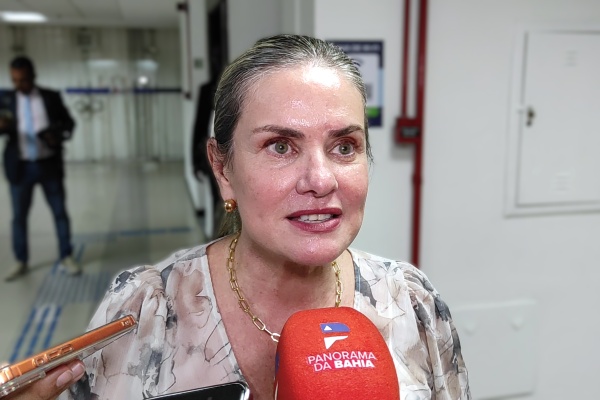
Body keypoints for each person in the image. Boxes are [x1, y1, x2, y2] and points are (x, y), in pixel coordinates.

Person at [8, 34, 470, 400]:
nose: (320, 179)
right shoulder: (143, 313)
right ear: (222, 168)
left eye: (344, 146)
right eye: (280, 146)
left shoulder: (412, 306)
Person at [0, 56, 81, 281]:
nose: (19, 84)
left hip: (49, 166)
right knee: (19, 217)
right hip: (20, 168)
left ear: (33, 76)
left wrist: (57, 136)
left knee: (59, 213)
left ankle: (66, 256)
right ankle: (21, 260)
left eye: (24, 79)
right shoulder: (6, 99)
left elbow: (69, 123)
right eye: (15, 80)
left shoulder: (50, 97)